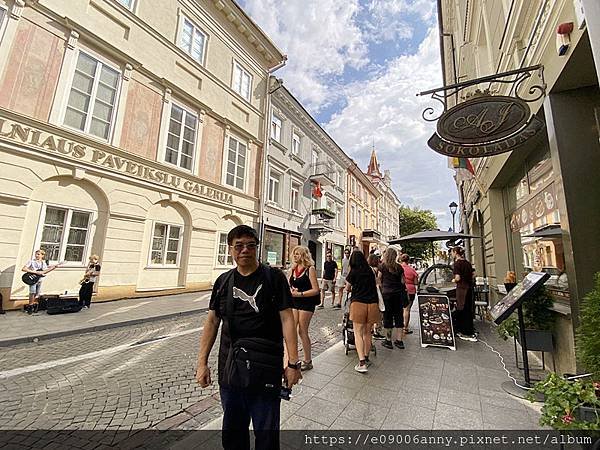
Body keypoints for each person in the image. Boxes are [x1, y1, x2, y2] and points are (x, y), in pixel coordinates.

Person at [195, 225, 301, 450]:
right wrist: (202, 362)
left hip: (266, 368)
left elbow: (287, 320)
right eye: (239, 246)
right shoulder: (223, 282)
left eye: (250, 245)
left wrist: (293, 363)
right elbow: (212, 321)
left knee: (266, 435)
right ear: (231, 249)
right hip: (231, 370)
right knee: (233, 435)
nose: (245, 250)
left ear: (257, 248)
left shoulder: (274, 278)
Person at [345, 250, 379, 373]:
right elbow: (376, 284)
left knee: (358, 333)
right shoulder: (371, 270)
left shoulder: (353, 272)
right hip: (373, 304)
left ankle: (361, 363)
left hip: (358, 303)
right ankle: (366, 357)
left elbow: (347, 288)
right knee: (367, 333)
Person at [288, 245, 320, 371]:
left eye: (298, 254)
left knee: (302, 330)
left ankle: (308, 360)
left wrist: (300, 293)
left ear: (304, 255)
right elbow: (288, 284)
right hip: (294, 302)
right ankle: (293, 358)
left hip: (306, 303)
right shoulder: (293, 269)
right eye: (294, 254)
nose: (295, 256)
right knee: (292, 330)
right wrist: (291, 290)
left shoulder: (310, 269)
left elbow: (316, 290)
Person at [379, 248, 407, 349]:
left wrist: (382, 288)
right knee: (399, 316)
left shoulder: (382, 266)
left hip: (386, 295)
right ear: (395, 256)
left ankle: (388, 340)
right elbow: (403, 281)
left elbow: (379, 280)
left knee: (388, 317)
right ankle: (399, 341)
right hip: (398, 295)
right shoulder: (399, 267)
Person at [452, 246, 477, 342]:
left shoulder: (457, 264)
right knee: (468, 309)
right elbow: (474, 274)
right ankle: (469, 329)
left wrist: (454, 280)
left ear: (455, 252)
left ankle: (464, 331)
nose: (451, 254)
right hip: (469, 288)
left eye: (452, 252)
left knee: (461, 309)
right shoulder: (467, 263)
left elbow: (457, 278)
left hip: (462, 289)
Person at [21, 249, 58, 314]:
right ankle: (30, 306)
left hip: (39, 280)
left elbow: (44, 271)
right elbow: (24, 269)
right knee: (32, 292)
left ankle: (32, 304)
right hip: (32, 279)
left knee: (36, 293)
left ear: (42, 255)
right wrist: (35, 272)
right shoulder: (31, 261)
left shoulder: (43, 263)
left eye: (38, 254)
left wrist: (53, 268)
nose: (36, 255)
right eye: (36, 254)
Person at [368, 253, 385, 340]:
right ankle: (375, 331)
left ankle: (371, 330)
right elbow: (378, 283)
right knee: (378, 312)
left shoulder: (367, 269)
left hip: (369, 294)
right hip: (375, 293)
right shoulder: (376, 270)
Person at [400, 254, 419, 334]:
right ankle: (405, 328)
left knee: (400, 309)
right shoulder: (412, 270)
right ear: (408, 261)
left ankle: (399, 326)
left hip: (400, 290)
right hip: (410, 290)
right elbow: (416, 282)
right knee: (407, 309)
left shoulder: (398, 268)